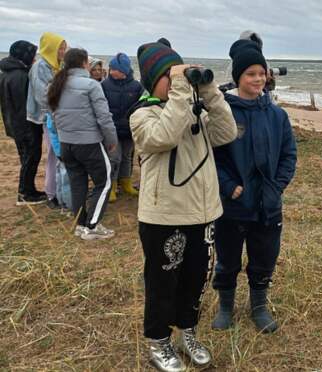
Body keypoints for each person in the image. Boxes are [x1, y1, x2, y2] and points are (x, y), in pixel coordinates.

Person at [130, 42, 237, 371]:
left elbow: (226, 132)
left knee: (196, 280)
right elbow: (163, 137)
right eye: (168, 75)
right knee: (163, 284)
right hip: (164, 217)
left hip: (203, 214)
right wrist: (180, 88)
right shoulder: (142, 115)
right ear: (153, 80)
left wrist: (209, 92)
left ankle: (188, 331)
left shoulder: (193, 112)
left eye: (179, 75)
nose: (179, 82)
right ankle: (159, 340)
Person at [211, 39, 297, 333]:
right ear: (238, 77)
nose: (258, 79)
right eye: (250, 74)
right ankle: (225, 307)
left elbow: (289, 155)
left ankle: (258, 307)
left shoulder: (277, 115)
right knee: (227, 261)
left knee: (264, 260)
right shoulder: (223, 113)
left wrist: (277, 187)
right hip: (233, 207)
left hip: (268, 206)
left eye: (262, 73)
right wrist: (229, 186)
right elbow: (213, 157)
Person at [47, 48, 118, 240]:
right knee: (104, 181)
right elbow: (104, 117)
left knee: (78, 184)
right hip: (89, 144)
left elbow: (53, 116)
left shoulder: (57, 84)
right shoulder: (91, 85)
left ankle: (80, 224)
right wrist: (111, 140)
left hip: (66, 143)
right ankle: (93, 226)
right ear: (84, 63)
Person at [0, 40, 47, 205]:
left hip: (13, 123)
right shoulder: (21, 76)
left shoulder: (6, 73)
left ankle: (28, 189)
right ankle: (25, 193)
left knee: (26, 157)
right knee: (31, 157)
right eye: (32, 55)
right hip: (26, 124)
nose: (34, 59)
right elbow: (27, 103)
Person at [26, 32, 67, 209]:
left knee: (58, 154)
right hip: (48, 117)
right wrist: (58, 110)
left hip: (56, 115)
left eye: (65, 48)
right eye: (60, 48)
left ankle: (59, 191)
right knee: (54, 154)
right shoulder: (40, 66)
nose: (63, 51)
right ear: (51, 48)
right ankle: (52, 194)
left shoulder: (56, 65)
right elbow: (42, 95)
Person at [101, 52, 143, 202]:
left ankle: (126, 183)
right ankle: (111, 186)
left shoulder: (136, 86)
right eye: (110, 69)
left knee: (126, 157)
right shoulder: (104, 85)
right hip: (112, 130)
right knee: (114, 158)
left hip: (129, 129)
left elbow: (141, 107)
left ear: (124, 70)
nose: (111, 72)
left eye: (114, 69)